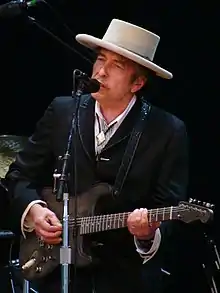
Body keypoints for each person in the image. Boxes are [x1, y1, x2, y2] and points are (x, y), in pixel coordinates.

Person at [5, 19, 188, 293]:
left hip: (125, 277)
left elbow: (169, 208)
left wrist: (147, 234)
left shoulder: (167, 130)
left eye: (117, 66)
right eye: (100, 59)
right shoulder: (63, 111)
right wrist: (35, 211)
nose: (100, 72)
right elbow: (19, 175)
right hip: (57, 272)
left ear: (137, 83)